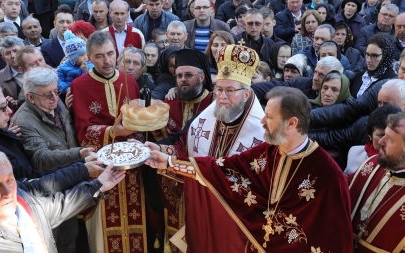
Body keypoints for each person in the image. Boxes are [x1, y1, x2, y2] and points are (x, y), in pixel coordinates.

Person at [145, 85, 353, 251]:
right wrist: (170, 163)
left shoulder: (329, 176)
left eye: (269, 117)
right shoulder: (268, 151)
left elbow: (336, 238)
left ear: (291, 124)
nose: (262, 121)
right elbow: (222, 168)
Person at [145, 44, 265, 252]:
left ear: (246, 94)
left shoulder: (262, 131)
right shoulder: (208, 115)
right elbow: (185, 146)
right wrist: (160, 150)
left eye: (230, 90)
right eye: (219, 89)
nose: (222, 97)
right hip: (202, 209)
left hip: (235, 221)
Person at [0, 145, 125, 252]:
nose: (8, 192)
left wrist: (98, 185)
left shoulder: (20, 199)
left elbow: (59, 205)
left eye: (10, 180)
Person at [70, 30, 151, 253]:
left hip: (132, 164)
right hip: (102, 165)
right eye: (99, 56)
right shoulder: (79, 86)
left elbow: (138, 120)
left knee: (135, 217)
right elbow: (83, 132)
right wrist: (114, 131)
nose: (107, 61)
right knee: (104, 224)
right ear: (88, 57)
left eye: (110, 54)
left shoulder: (129, 80)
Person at [349, 111, 405, 252]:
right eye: (383, 135)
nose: (380, 142)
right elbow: (338, 189)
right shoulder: (373, 164)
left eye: (390, 139)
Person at [251, 56, 344, 105]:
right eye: (315, 72)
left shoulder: (343, 99)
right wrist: (248, 90)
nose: (315, 78)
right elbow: (276, 87)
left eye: (321, 75)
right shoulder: (302, 83)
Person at [345, 103, 402, 174]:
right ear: (370, 135)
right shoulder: (355, 153)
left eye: (390, 136)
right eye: (382, 135)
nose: (383, 140)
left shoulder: (400, 163)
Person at [0, 36, 25, 108]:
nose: (13, 56)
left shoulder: (39, 68)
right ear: (3, 58)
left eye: (15, 51)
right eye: (8, 53)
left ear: (24, 51)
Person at [56, 30, 93, 95]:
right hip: (71, 94)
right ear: (73, 57)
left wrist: (85, 70)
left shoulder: (89, 63)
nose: (85, 57)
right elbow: (59, 81)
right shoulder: (62, 67)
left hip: (87, 92)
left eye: (86, 53)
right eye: (81, 55)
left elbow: (93, 77)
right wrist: (66, 88)